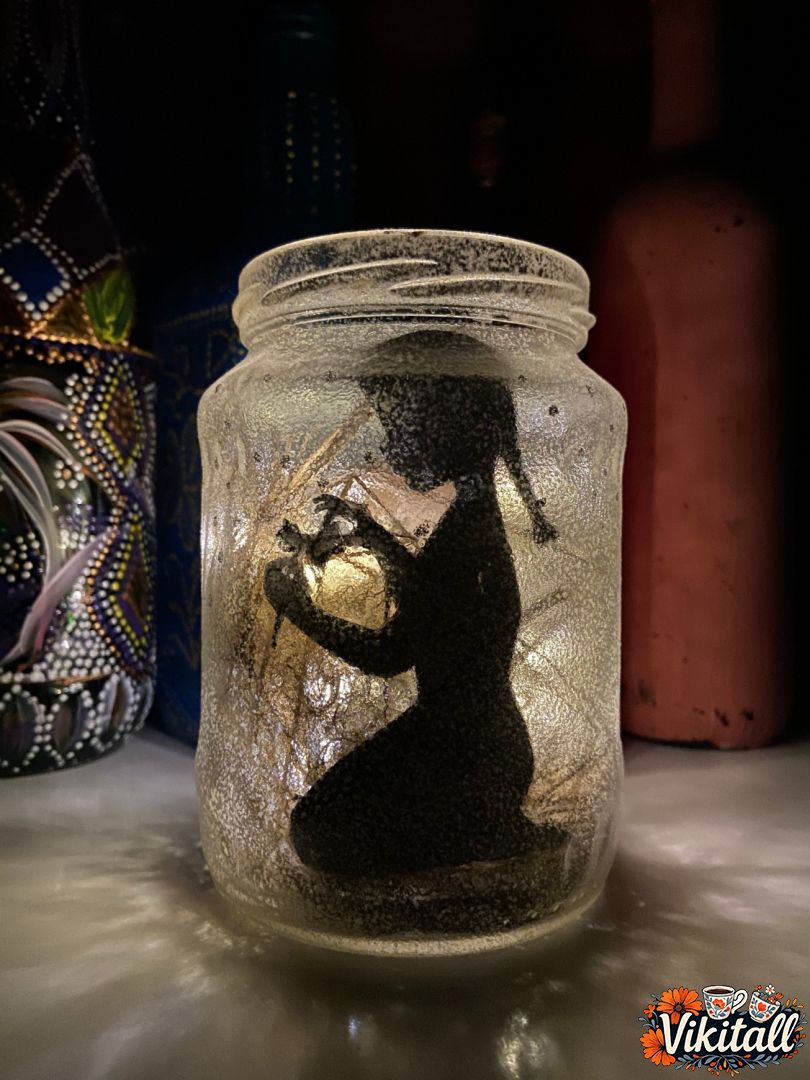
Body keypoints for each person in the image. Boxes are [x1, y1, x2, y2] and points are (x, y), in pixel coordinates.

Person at [263, 331, 563, 877]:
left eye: (398, 427)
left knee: (318, 835)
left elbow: (391, 654)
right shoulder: (472, 526)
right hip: (481, 745)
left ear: (448, 430)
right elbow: (435, 601)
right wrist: (371, 535)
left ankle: (491, 833)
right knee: (323, 828)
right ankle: (490, 831)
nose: (391, 447)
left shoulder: (467, 543)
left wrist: (297, 605)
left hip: (469, 760)